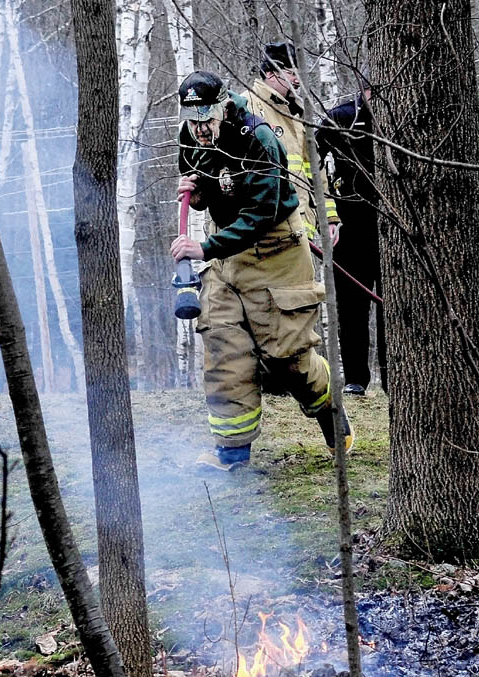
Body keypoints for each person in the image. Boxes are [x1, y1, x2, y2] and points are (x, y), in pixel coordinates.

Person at [170, 70, 354, 471]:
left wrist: (202, 247)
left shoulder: (258, 138)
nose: (200, 129)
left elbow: (261, 212)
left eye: (208, 119)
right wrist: (199, 195)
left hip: (276, 252)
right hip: (225, 259)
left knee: (288, 359)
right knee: (222, 348)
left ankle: (331, 413)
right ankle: (231, 454)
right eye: (193, 120)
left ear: (226, 108)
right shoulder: (189, 135)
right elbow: (206, 186)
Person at [317, 74, 387, 396]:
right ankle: (357, 378)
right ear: (365, 91)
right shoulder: (342, 117)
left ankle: (392, 377)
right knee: (352, 309)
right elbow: (311, 158)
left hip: (392, 231)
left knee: (393, 309)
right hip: (349, 226)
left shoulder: (402, 121)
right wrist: (325, 210)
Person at [241, 40, 340, 244]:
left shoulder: (297, 112)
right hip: (267, 232)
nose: (297, 80)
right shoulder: (246, 107)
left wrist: (328, 217)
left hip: (304, 228)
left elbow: (316, 168)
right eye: (291, 73)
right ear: (270, 73)